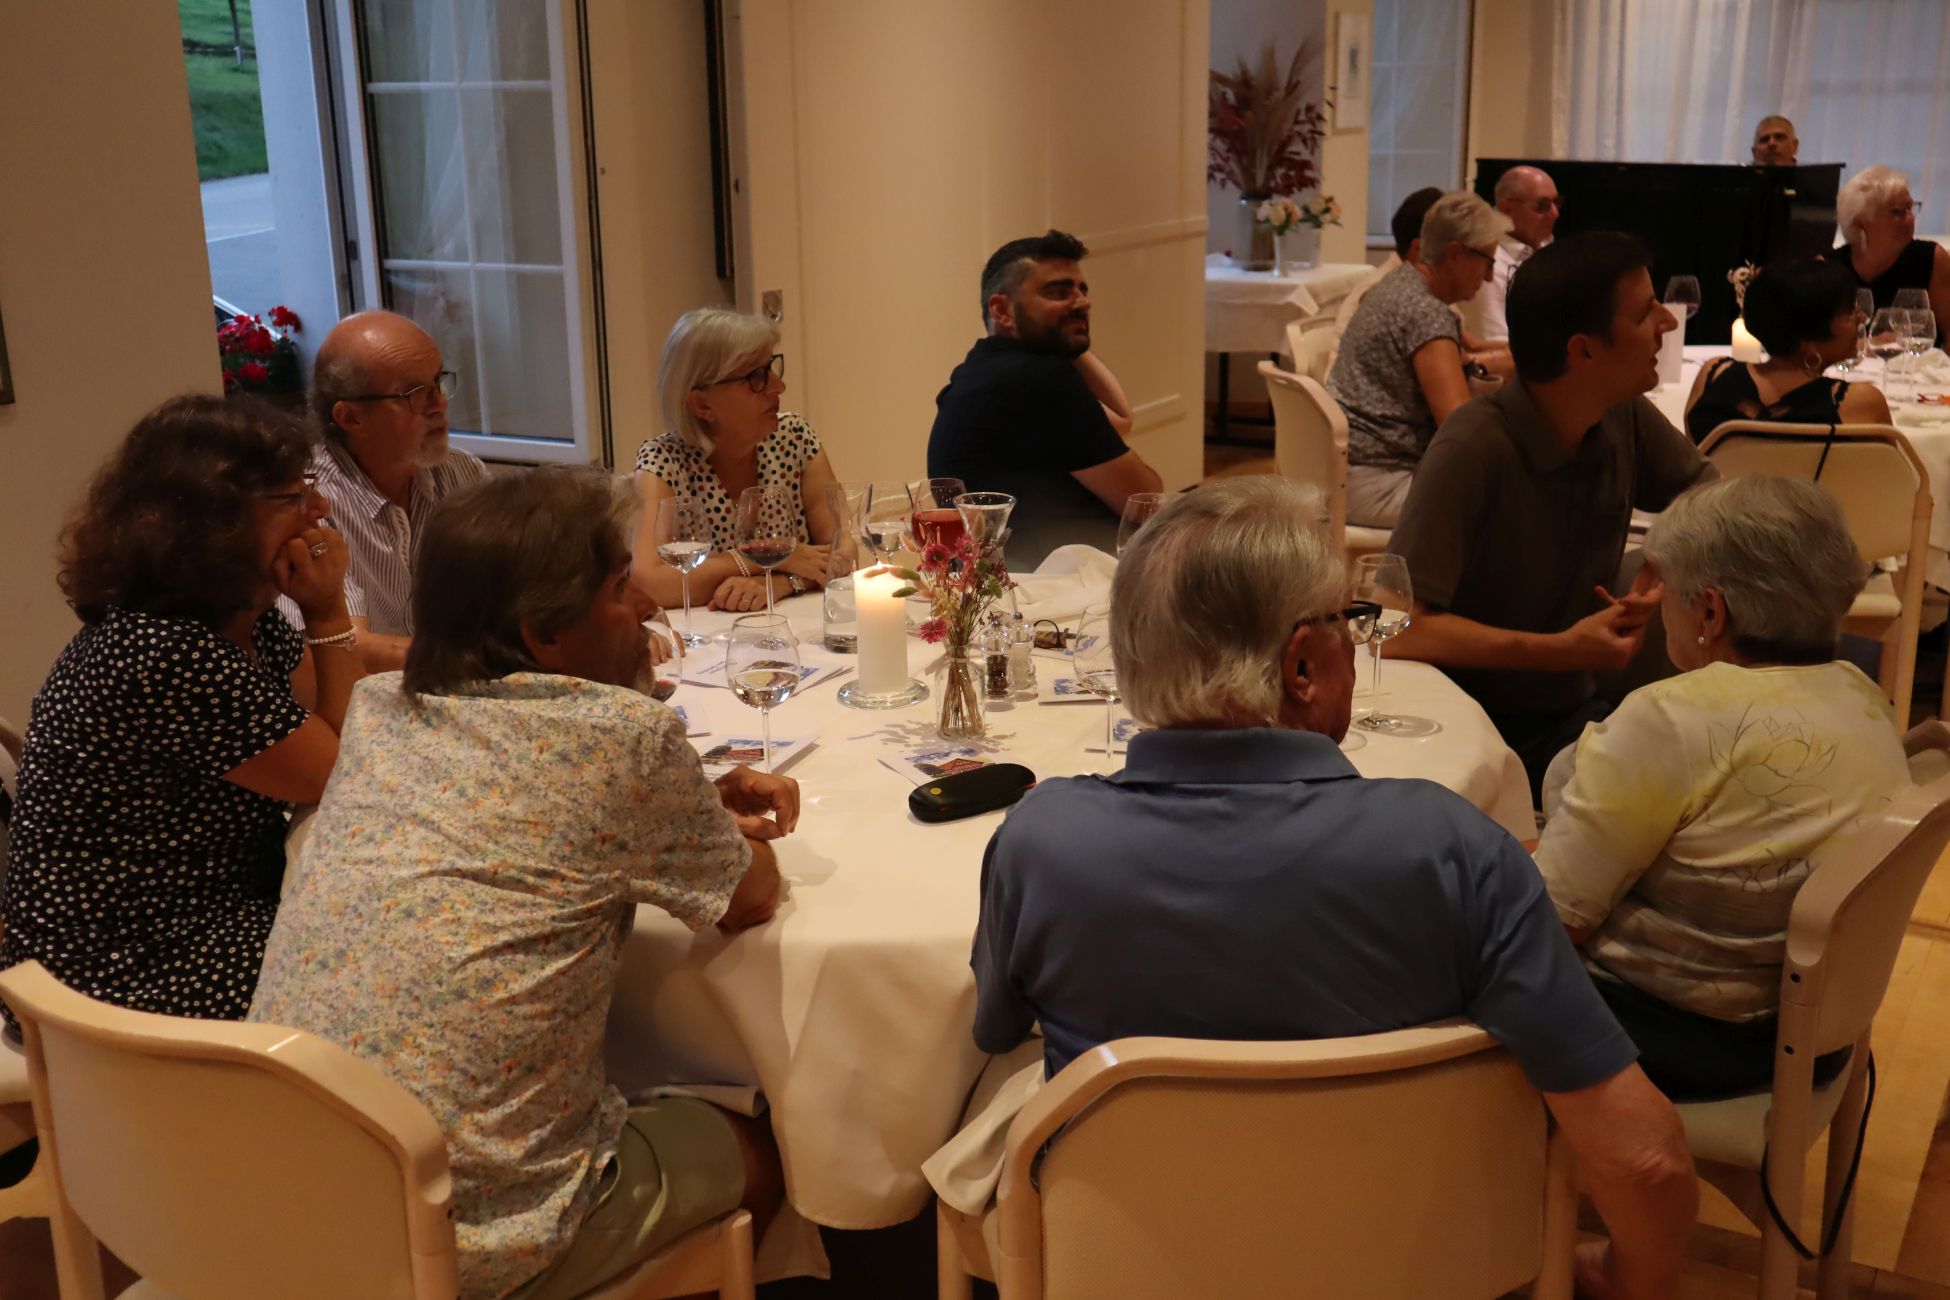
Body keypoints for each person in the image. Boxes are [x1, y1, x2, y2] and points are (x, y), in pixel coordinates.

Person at [970, 477, 1697, 1300]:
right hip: (1408, 1269)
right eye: (1351, 622)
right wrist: (1619, 1277)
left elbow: (995, 1031)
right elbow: (1647, 1161)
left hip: (1125, 1269)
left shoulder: (1041, 840)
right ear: (1303, 666)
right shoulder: (1452, 848)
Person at [250, 467, 788, 1300]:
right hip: (454, 1245)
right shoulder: (623, 736)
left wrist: (678, 812)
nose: (646, 607)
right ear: (543, 635)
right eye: (620, 587)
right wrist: (713, 827)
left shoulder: (381, 710)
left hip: (273, 1201)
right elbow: (751, 898)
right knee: (771, 1142)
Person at [1536, 475, 1908, 1100]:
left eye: (1669, 595)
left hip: (1669, 1037)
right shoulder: (1866, 698)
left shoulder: (1672, 718)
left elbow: (1556, 919)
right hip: (1812, 1034)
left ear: (1711, 611)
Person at [1, 395, 364, 1033]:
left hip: (199, 910)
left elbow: (324, 714)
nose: (319, 509)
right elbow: (337, 770)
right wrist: (327, 610)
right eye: (292, 497)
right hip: (119, 965)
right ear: (213, 521)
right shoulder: (165, 652)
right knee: (384, 950)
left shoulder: (236, 618)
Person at [1386, 232, 1715, 799]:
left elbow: (1706, 491)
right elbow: (1394, 626)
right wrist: (1560, 651)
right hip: (1464, 731)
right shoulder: (1473, 448)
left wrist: (1661, 559)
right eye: (1645, 313)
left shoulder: (1620, 414)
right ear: (1583, 350)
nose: (1666, 321)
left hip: (1571, 716)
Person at [927, 229, 1163, 566]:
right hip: (1065, 579)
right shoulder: (1040, 379)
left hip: (1001, 573)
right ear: (1002, 310)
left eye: (1082, 290)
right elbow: (1144, 503)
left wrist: (1064, 334)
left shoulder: (983, 368)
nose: (1082, 302)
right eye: (1059, 292)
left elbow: (1120, 418)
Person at [304, 310, 491, 672]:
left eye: (438, 382)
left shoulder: (464, 473)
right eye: (415, 394)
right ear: (351, 418)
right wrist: (483, 661)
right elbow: (343, 644)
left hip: (455, 685)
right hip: (365, 698)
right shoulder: (311, 504)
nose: (439, 404)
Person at [634, 308, 841, 614]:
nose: (778, 386)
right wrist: (764, 558)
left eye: (771, 368)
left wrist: (780, 584)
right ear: (702, 404)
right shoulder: (663, 461)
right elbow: (649, 582)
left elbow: (843, 551)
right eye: (756, 377)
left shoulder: (796, 438)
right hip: (706, 638)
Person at [1327, 191, 1509, 526]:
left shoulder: (1398, 284)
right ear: (1454, 254)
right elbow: (1459, 427)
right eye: (1487, 262)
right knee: (1517, 501)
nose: (1487, 277)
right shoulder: (1425, 313)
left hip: (1345, 470)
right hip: (1377, 481)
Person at [1685, 258, 1891, 443]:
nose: (1862, 318)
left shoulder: (1713, 376)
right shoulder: (1858, 402)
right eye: (1850, 312)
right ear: (1809, 338)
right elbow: (1893, 473)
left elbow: (1691, 464)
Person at [1829, 164, 1950, 342]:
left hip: (1921, 360)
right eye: (1897, 212)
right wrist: (1870, 346)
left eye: (1910, 208)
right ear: (1861, 223)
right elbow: (1819, 344)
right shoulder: (1830, 269)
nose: (1910, 218)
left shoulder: (1931, 259)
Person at [1479, 165, 1560, 342]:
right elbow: (1495, 339)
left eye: (1557, 202)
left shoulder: (1549, 249)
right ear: (1506, 208)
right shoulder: (1489, 261)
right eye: (1543, 205)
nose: (1555, 213)